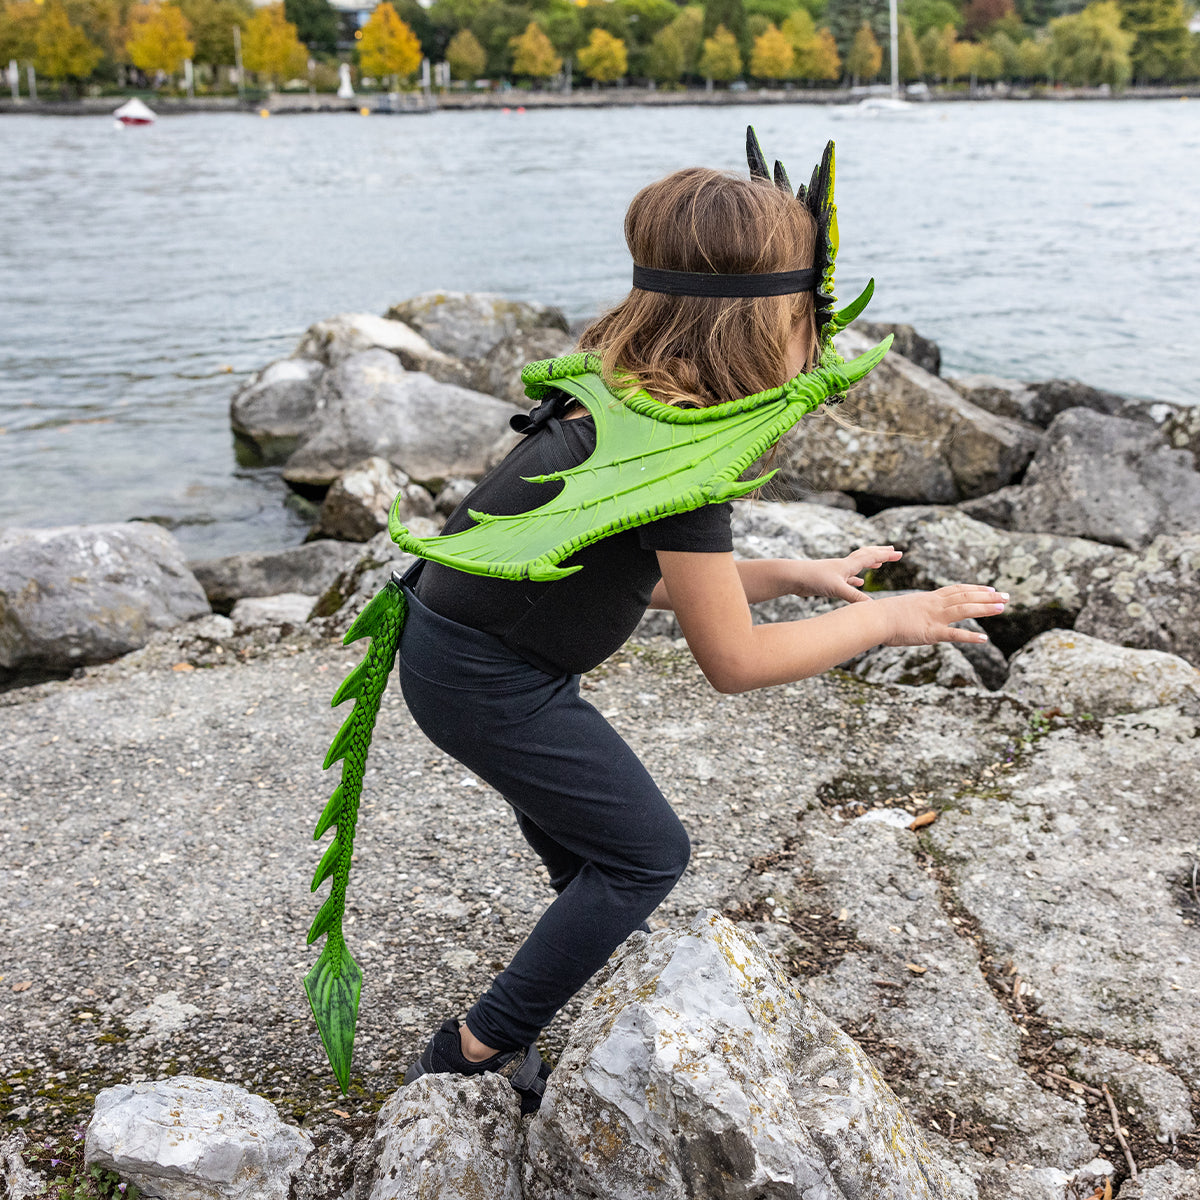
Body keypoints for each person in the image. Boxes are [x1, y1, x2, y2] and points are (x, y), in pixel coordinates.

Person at [389, 136, 1007, 1113]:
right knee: (647, 855)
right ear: (774, 327)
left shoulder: (629, 403)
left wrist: (794, 572)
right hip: (489, 681)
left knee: (602, 857)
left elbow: (645, 579)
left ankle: (596, 978)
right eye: (819, 315)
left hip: (461, 650)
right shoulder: (681, 464)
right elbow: (734, 660)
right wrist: (893, 620)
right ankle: (474, 1049)